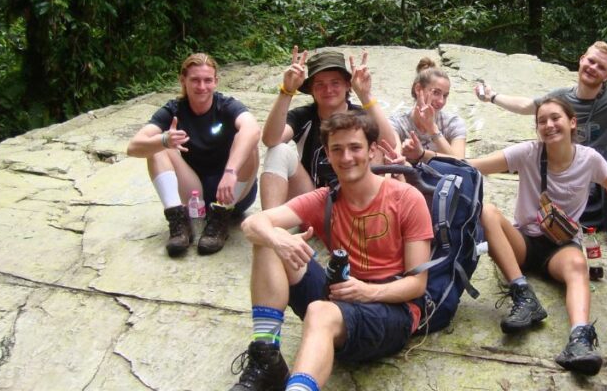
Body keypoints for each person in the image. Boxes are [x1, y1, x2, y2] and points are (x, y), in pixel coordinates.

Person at [404, 97, 607, 375]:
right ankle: (523, 295)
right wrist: (423, 156)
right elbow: (470, 165)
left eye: (555, 118)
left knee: (577, 266)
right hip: (523, 242)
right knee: (487, 212)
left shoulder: (590, 159)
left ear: (572, 122)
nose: (548, 125)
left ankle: (580, 338)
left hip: (562, 247)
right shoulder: (529, 152)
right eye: (541, 121)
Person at [228, 111, 433, 391]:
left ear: (372, 150)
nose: (346, 157)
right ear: (327, 153)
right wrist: (280, 241)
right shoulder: (326, 198)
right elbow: (252, 224)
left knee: (320, 313)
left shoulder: (406, 199)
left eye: (355, 147)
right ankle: (267, 358)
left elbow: (417, 284)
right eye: (337, 149)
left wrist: (367, 291)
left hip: (391, 310)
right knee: (268, 238)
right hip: (341, 297)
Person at [476, 42, 607, 261]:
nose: (593, 68)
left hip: (603, 195)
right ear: (582, 59)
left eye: (601, 67)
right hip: (566, 204)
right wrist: (492, 97)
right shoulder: (560, 100)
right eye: (591, 61)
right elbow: (527, 106)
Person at [126, 53, 260, 256]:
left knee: (249, 144)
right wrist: (164, 140)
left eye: (207, 80)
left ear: (216, 82)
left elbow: (253, 129)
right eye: (195, 80)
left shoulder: (226, 105)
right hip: (194, 192)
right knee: (155, 146)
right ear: (183, 81)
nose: (202, 86)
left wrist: (230, 171)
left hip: (232, 191)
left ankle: (220, 218)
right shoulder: (173, 110)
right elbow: (133, 147)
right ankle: (178, 222)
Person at [259, 47, 400, 210]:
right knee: (278, 151)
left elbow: (389, 142)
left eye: (335, 83)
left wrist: (365, 95)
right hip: (312, 197)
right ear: (311, 89)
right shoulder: (303, 116)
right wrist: (287, 91)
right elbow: (270, 140)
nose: (328, 90)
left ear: (348, 85)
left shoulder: (362, 116)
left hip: (356, 200)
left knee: (377, 149)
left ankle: (364, 217)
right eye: (320, 84)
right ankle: (269, 225)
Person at [389, 57, 466, 158]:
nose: (441, 101)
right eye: (436, 93)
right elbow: (393, 158)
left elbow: (461, 165)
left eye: (445, 95)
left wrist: (432, 129)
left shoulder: (453, 123)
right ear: (418, 89)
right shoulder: (397, 123)